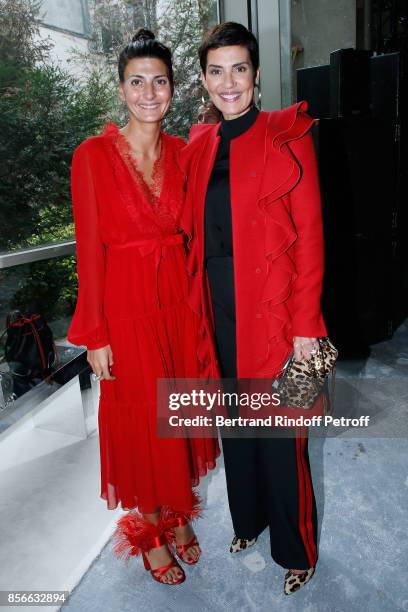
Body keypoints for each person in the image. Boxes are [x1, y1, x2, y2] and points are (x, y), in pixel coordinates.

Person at [67, 28, 219, 586]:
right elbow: (88, 250)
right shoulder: (91, 156)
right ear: (122, 88)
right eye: (137, 82)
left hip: (179, 308)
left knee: (176, 417)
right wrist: (96, 336)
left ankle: (178, 510)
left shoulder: (184, 153)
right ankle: (152, 528)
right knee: (141, 424)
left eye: (159, 81)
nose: (149, 92)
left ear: (174, 90)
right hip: (127, 313)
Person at [180, 22, 327, 595]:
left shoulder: (287, 134)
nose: (228, 81)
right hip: (217, 307)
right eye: (216, 71)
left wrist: (307, 325)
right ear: (204, 80)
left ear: (257, 74)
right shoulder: (199, 145)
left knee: (282, 435)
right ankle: (249, 521)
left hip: (275, 308)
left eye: (239, 68)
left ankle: (297, 550)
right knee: (237, 425)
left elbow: (311, 235)